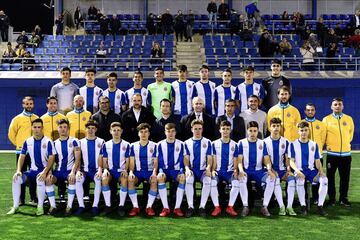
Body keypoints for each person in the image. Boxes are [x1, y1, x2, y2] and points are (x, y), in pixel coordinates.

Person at [7, 118, 56, 216]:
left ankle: (40, 207)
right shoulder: (27, 141)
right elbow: (22, 156)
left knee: (40, 179)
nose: (37, 129)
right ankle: (16, 206)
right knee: (16, 179)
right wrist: (18, 170)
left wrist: (45, 172)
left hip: (43, 172)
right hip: (32, 172)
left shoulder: (48, 141)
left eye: (39, 127)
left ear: (42, 128)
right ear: (32, 128)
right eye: (35, 127)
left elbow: (52, 158)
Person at [237, 121, 276, 217]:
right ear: (247, 131)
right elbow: (239, 160)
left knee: (272, 179)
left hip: (259, 171)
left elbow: (267, 160)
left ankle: (265, 206)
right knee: (241, 179)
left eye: (255, 131)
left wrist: (269, 170)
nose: (253, 133)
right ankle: (245, 206)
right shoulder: (241, 143)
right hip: (246, 171)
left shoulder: (262, 143)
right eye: (250, 131)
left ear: (258, 131)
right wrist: (241, 171)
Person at [289, 121, 328, 216]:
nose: (304, 132)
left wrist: (321, 171)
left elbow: (317, 161)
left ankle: (320, 206)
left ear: (309, 131)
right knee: (300, 181)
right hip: (299, 170)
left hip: (311, 171)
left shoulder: (314, 144)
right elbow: (291, 161)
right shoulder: (293, 144)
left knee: (324, 180)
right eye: (301, 130)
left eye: (306, 130)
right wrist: (297, 171)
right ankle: (303, 206)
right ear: (298, 131)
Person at [322, 98, 354, 207]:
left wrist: (344, 145)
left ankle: (343, 198)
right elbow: (323, 136)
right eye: (335, 104)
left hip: (346, 155)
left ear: (343, 106)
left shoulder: (349, 119)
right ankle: (331, 199)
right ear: (331, 107)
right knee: (330, 178)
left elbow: (350, 135)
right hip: (332, 155)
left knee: (345, 178)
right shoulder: (326, 120)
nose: (337, 106)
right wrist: (331, 145)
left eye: (339, 104)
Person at [8, 96, 39, 205]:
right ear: (23, 105)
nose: (29, 106)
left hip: (34, 153)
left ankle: (33, 197)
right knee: (20, 174)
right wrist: (19, 145)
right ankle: (21, 199)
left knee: (33, 174)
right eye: (27, 104)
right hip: (21, 152)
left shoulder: (36, 118)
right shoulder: (17, 119)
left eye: (30, 104)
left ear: (33, 105)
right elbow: (11, 134)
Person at [264, 118, 296, 216]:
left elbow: (287, 158)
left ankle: (289, 206)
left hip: (283, 170)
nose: (276, 128)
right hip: (270, 170)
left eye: (278, 126)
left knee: (292, 179)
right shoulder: (264, 142)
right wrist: (272, 171)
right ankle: (281, 207)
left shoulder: (286, 142)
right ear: (270, 128)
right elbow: (266, 160)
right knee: (275, 180)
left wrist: (288, 170)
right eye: (274, 126)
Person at [74, 120, 105, 215]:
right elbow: (78, 158)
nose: (90, 130)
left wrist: (100, 170)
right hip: (85, 170)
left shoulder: (101, 141)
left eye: (93, 128)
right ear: (85, 129)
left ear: (96, 130)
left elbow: (103, 158)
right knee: (78, 179)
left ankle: (95, 206)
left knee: (98, 180)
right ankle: (81, 206)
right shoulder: (80, 142)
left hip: (97, 170)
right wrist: (78, 170)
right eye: (88, 128)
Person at [183, 119, 213, 217]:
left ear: (202, 129)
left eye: (199, 129)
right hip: (192, 170)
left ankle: (202, 207)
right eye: (195, 129)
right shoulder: (186, 143)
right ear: (192, 129)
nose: (197, 131)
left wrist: (208, 168)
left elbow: (209, 158)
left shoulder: (208, 142)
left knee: (208, 180)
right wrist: (187, 169)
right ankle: (190, 206)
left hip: (203, 171)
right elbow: (186, 159)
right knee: (188, 180)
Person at [51, 119, 81, 215]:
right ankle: (53, 206)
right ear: (58, 129)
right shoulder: (54, 143)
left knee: (72, 179)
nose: (63, 129)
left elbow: (77, 159)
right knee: (48, 179)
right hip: (58, 171)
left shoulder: (74, 141)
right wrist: (50, 173)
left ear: (68, 129)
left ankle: (69, 206)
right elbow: (51, 160)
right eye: (61, 127)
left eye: (65, 127)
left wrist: (73, 172)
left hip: (69, 171)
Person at [127, 123, 158, 216]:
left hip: (150, 172)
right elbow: (132, 163)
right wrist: (131, 172)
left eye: (146, 132)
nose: (143, 134)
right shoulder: (133, 146)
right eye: (141, 132)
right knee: (130, 179)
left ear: (149, 134)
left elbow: (156, 162)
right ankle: (135, 206)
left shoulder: (155, 146)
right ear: (138, 134)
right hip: (139, 172)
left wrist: (154, 173)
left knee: (154, 180)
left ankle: (149, 206)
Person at [157, 123, 186, 217]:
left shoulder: (181, 144)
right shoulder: (160, 144)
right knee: (160, 178)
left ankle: (177, 208)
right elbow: (160, 161)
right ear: (165, 132)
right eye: (168, 131)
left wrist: (181, 171)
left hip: (176, 171)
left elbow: (182, 160)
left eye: (173, 131)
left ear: (175, 132)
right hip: (164, 171)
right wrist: (161, 171)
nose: (170, 133)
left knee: (182, 178)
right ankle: (166, 208)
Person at [101, 122, 130, 216]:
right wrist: (105, 170)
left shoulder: (127, 144)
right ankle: (108, 206)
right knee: (104, 179)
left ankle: (121, 206)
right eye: (114, 130)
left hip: (121, 171)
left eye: (118, 130)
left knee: (125, 179)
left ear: (121, 131)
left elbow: (128, 160)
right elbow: (104, 160)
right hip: (110, 171)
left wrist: (125, 170)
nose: (116, 132)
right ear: (110, 131)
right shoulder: (106, 144)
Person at [212, 120, 239, 216]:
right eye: (223, 129)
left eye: (227, 129)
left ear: (230, 130)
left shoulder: (235, 145)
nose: (225, 131)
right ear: (220, 130)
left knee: (236, 184)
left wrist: (235, 170)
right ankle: (216, 207)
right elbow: (213, 159)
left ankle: (230, 207)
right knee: (212, 183)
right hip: (218, 172)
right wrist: (212, 171)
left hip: (229, 172)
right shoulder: (214, 144)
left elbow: (236, 159)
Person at [303, 103, 327, 204]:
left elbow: (323, 139)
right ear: (305, 111)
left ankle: (316, 198)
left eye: (312, 110)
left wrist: (318, 150)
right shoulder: (301, 124)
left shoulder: (321, 124)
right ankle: (304, 198)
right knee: (303, 177)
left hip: (318, 157)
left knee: (317, 178)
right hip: (304, 157)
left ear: (315, 111)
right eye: (308, 110)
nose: (310, 112)